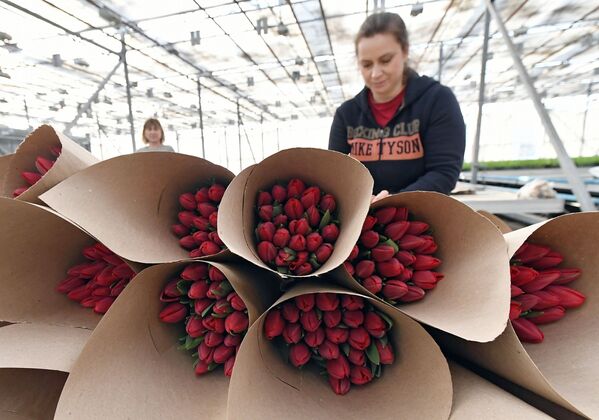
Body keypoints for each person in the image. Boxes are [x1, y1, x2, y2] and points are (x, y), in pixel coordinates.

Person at [328, 12, 465, 198]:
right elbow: (334, 174)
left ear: (405, 51)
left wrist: (394, 202)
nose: (376, 73)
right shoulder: (347, 114)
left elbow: (443, 173)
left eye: (385, 60)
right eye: (367, 65)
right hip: (363, 216)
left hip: (421, 216)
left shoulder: (437, 100)